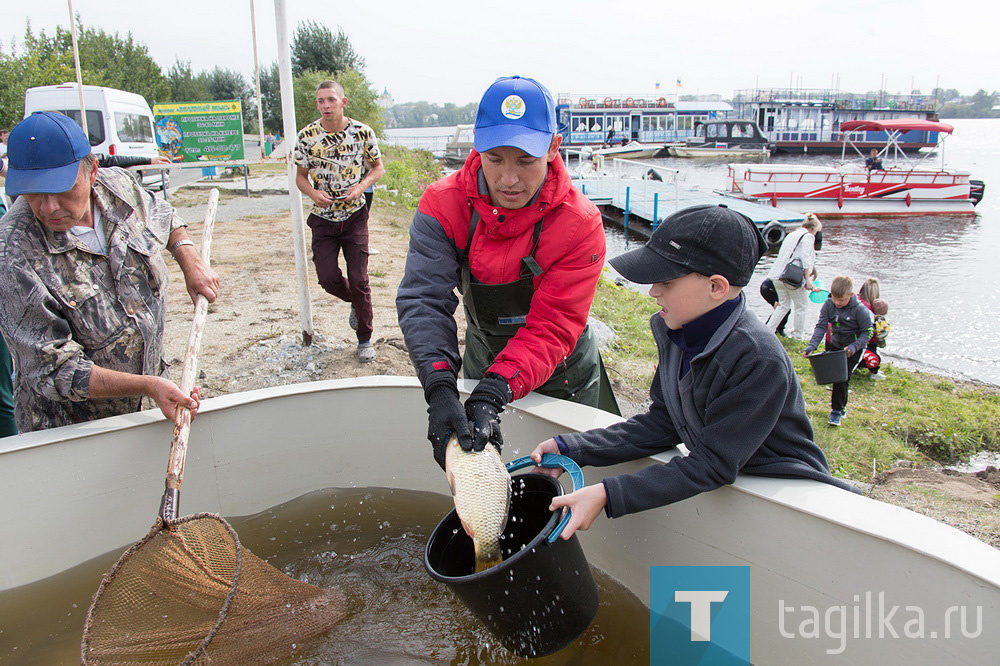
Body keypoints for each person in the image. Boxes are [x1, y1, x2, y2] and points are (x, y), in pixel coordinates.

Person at [526, 204, 857, 538]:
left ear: (716, 287)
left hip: (788, 501)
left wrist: (607, 494)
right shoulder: (678, 330)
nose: (653, 291)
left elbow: (713, 463)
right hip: (735, 485)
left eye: (666, 281)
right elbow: (663, 422)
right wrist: (572, 448)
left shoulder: (757, 358)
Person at [396, 75, 615, 470]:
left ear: (552, 148)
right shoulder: (442, 205)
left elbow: (553, 325)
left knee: (559, 483)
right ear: (477, 147)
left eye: (525, 161)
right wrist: (440, 385)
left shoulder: (580, 224)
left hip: (563, 370)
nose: (508, 179)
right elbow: (424, 300)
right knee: (486, 474)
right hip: (485, 352)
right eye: (494, 159)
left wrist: (494, 390)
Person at [0, 111, 220, 434]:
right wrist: (148, 385)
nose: (47, 207)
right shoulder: (12, 250)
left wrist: (189, 258)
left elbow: (163, 214)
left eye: (60, 189)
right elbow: (55, 368)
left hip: (148, 407)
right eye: (33, 192)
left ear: (91, 172)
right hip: (72, 433)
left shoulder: (117, 186)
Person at [294, 80, 385, 363]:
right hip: (323, 219)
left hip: (355, 216)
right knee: (328, 278)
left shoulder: (362, 132)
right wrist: (313, 193)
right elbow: (300, 176)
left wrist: (360, 187)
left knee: (360, 280)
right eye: (321, 101)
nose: (325, 106)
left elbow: (378, 168)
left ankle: (365, 339)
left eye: (331, 100)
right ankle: (355, 303)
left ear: (343, 102)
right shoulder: (307, 136)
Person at [803, 275, 874, 427]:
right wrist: (812, 345)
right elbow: (821, 326)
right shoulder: (829, 304)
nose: (837, 303)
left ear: (851, 295)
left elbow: (867, 332)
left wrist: (854, 347)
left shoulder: (860, 310)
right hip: (834, 343)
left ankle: (836, 411)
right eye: (834, 298)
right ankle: (840, 407)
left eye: (841, 300)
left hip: (853, 348)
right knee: (834, 377)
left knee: (842, 378)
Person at [765, 214, 822, 338]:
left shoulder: (792, 234)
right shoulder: (807, 237)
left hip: (777, 274)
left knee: (783, 305)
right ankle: (797, 336)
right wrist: (808, 279)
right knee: (801, 306)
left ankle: (768, 331)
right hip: (792, 278)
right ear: (813, 229)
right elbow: (805, 257)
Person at [857, 277, 889, 380]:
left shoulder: (855, 300)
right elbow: (869, 334)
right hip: (858, 344)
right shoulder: (869, 310)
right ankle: (872, 370)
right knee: (876, 359)